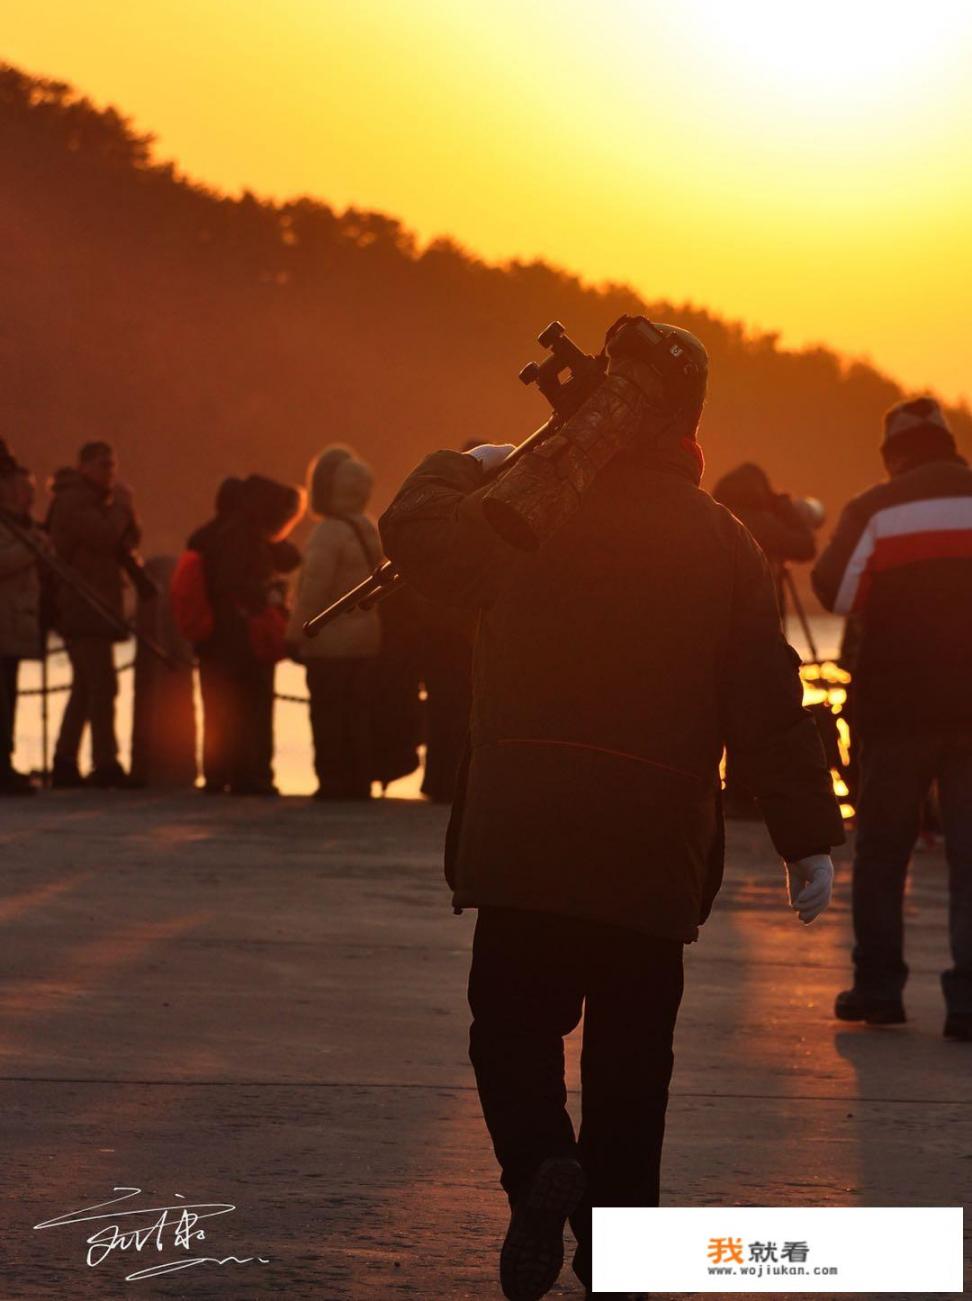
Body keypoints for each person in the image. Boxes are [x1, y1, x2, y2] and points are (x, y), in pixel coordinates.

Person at [379, 315, 844, 1301]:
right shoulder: (725, 541)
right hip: (650, 852)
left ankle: (543, 1160)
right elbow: (768, 692)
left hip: (523, 840)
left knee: (508, 1029)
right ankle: (623, 1266)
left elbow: (417, 541)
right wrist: (809, 839)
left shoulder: (518, 509)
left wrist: (476, 459)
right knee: (634, 1072)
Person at [812, 396, 972, 1042]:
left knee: (881, 854)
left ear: (895, 454)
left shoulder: (874, 508)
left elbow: (836, 590)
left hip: (895, 708)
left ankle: (879, 988)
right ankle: (968, 1003)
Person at [191, 474, 304, 795]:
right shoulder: (245, 538)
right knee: (252, 707)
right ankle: (252, 774)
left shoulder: (206, 536)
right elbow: (287, 561)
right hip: (244, 638)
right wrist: (268, 594)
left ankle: (216, 774)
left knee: (216, 708)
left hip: (211, 639)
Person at [46, 441, 143, 788]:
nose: (110, 473)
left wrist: (123, 511)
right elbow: (105, 537)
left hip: (99, 606)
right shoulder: (73, 501)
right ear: (84, 466)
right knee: (101, 685)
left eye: (113, 466)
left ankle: (66, 760)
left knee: (87, 686)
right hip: (82, 606)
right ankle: (105, 763)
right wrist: (122, 506)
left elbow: (129, 539)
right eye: (103, 466)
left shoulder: (100, 501)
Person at [287, 446, 382, 801]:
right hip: (368, 638)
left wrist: (293, 634)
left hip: (329, 642)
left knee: (328, 714)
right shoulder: (368, 526)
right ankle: (359, 781)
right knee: (357, 714)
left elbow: (313, 591)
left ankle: (332, 781)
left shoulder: (328, 532)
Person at [712, 462, 820, 609]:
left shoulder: (713, 519)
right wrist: (785, 507)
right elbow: (806, 547)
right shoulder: (762, 526)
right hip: (756, 613)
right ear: (758, 492)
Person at [0, 458, 43, 795]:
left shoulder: (24, 526)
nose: (31, 497)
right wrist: (33, 549)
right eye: (25, 490)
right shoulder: (12, 530)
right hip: (5, 621)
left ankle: (7, 759)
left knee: (10, 696)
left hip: (17, 623)